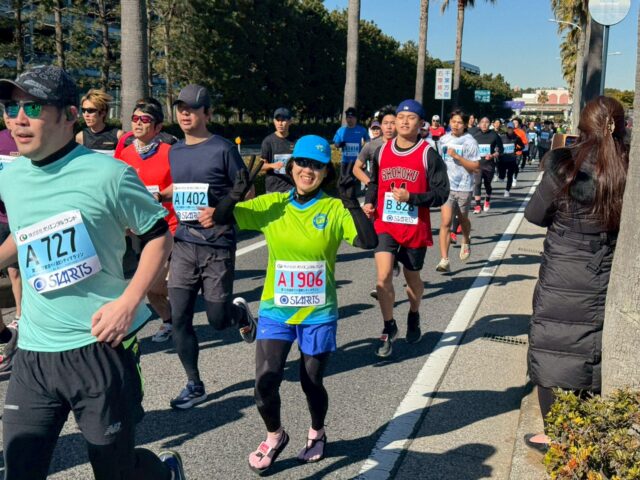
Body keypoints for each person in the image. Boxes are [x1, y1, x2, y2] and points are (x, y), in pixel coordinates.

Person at [0, 65, 185, 480]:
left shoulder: (109, 175)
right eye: (11, 108)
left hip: (98, 347)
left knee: (116, 473)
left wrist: (129, 302)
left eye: (33, 107)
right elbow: (26, 234)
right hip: (34, 352)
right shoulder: (11, 178)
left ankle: (163, 473)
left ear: (69, 115)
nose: (18, 119)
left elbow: (158, 236)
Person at [209, 136, 377, 474]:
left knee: (311, 381)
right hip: (277, 309)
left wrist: (352, 203)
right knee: (265, 380)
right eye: (302, 163)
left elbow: (368, 240)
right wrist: (235, 193)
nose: (307, 170)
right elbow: (223, 219)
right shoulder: (274, 204)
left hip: (318, 313)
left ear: (326, 172)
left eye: (316, 165)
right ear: (291, 166)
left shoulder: (333, 208)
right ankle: (275, 435)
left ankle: (317, 431)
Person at [523, 96, 628, 452]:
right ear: (621, 126)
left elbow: (535, 215)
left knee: (554, 342)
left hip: (563, 269)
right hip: (608, 268)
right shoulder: (629, 166)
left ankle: (555, 434)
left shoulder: (565, 163)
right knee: (592, 342)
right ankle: (591, 426)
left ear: (583, 125)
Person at [168, 84, 254, 409]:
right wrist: (161, 195)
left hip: (217, 244)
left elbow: (246, 192)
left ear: (207, 113)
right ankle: (194, 384)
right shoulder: (175, 150)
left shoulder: (223, 149)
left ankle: (239, 313)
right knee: (179, 318)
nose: (185, 113)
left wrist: (220, 210)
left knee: (217, 320)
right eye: (181, 108)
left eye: (192, 108)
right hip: (184, 242)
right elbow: (181, 186)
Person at [364, 100, 449, 357]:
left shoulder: (428, 154)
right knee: (383, 277)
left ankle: (414, 313)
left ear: (421, 124)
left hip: (414, 228)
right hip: (385, 224)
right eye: (400, 116)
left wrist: (412, 197)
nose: (403, 121)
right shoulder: (381, 151)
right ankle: (388, 326)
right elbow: (374, 182)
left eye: (410, 118)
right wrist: (369, 202)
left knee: (413, 281)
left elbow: (441, 194)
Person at [116, 97, 178, 343]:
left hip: (172, 227)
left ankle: (178, 319)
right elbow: (119, 190)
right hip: (141, 231)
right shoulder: (125, 154)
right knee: (153, 287)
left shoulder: (170, 152)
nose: (138, 123)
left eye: (145, 119)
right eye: (135, 118)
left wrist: (160, 196)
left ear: (158, 127)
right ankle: (169, 320)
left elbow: (182, 184)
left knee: (162, 283)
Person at [436, 109, 480, 273]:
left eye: (460, 122)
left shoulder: (470, 142)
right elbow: (439, 161)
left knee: (463, 220)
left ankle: (466, 239)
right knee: (446, 222)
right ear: (449, 122)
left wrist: (458, 157)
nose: (456, 125)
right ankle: (444, 260)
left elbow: (475, 167)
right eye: (453, 121)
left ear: (465, 124)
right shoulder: (443, 140)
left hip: (464, 187)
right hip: (447, 187)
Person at [0, 109, 21, 371]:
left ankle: (20, 317)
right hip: (0, 216)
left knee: (16, 272)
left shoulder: (32, 139)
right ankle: (5, 335)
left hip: (18, 217)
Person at [75, 88, 123, 154]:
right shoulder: (80, 136)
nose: (86, 115)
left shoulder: (118, 135)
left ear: (103, 113)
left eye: (90, 110)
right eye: (83, 110)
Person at [471, 116, 503, 214]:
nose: (484, 124)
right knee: (477, 183)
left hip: (489, 165)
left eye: (487, 122)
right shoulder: (475, 136)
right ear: (479, 124)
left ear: (490, 124)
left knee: (487, 184)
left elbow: (501, 150)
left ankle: (487, 200)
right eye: (482, 122)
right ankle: (477, 205)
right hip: (477, 164)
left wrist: (493, 155)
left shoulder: (494, 135)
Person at [260, 107, 295, 193]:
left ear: (290, 121)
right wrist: (273, 165)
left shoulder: (296, 141)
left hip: (292, 188)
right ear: (274, 121)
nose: (280, 123)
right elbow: (261, 166)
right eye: (277, 120)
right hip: (273, 189)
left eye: (283, 120)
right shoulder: (268, 141)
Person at [333, 107, 369, 187]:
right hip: (345, 162)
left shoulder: (362, 130)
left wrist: (364, 154)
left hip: (357, 162)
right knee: (342, 184)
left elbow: (368, 142)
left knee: (352, 186)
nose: (350, 120)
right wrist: (340, 144)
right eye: (348, 117)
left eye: (352, 117)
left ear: (356, 119)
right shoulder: (341, 130)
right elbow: (336, 144)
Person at [498, 123, 525, 198]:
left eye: (511, 128)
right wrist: (498, 150)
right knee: (502, 176)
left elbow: (522, 146)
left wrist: (516, 150)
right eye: (509, 128)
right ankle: (501, 176)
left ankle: (507, 191)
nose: (510, 130)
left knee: (510, 176)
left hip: (512, 160)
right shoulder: (501, 137)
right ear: (507, 129)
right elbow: (496, 145)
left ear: (513, 129)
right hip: (502, 160)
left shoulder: (516, 137)